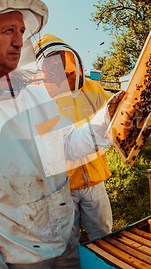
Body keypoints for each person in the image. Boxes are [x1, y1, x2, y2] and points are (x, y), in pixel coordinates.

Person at [0, 0, 123, 269]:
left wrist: (108, 119)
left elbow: (67, 148)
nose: (19, 40)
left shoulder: (36, 95)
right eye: (8, 30)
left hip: (65, 244)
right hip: (17, 257)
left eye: (21, 31)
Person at [34, 34, 113, 242]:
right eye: (48, 62)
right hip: (61, 187)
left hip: (94, 179)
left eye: (58, 60)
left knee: (103, 233)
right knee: (68, 241)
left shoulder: (90, 88)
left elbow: (112, 116)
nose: (54, 66)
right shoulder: (36, 100)